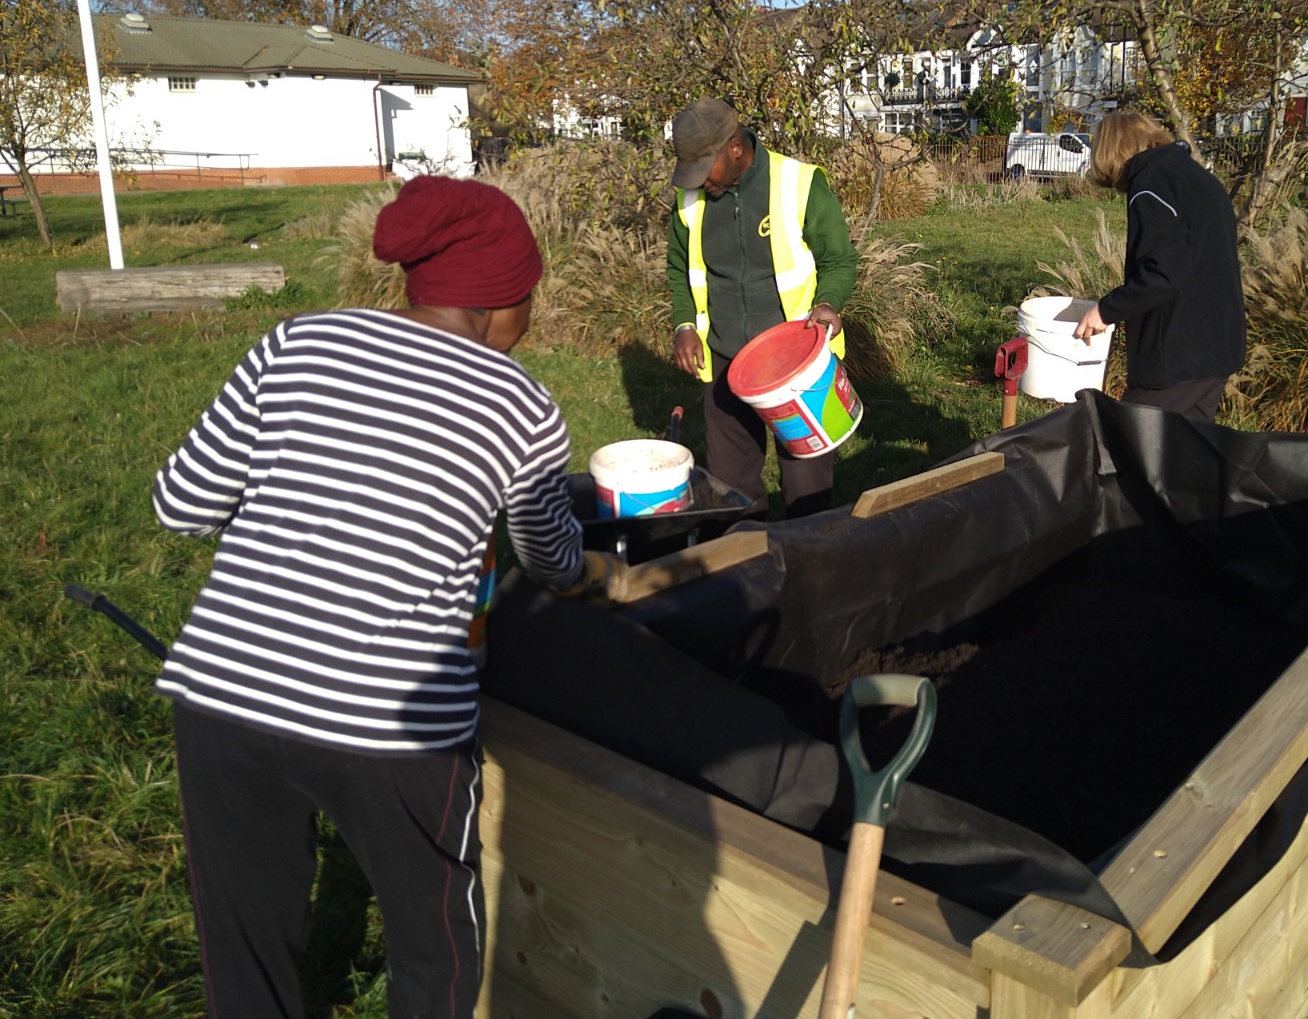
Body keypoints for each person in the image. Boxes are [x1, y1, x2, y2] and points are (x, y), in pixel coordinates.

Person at [151, 176, 616, 1018]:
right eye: (530, 298)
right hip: (390, 719)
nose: (533, 319)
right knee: (434, 937)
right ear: (494, 304)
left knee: (245, 940)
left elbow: (178, 506)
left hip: (220, 693)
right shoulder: (520, 402)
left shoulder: (294, 343)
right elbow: (549, 559)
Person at [666, 97, 860, 519]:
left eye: (704, 168)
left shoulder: (799, 184)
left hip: (796, 361)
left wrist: (828, 303)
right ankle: (748, 564)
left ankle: (810, 558)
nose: (698, 182)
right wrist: (684, 324)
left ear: (735, 147)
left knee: (806, 481)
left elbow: (840, 259)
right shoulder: (690, 200)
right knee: (732, 487)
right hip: (724, 358)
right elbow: (679, 268)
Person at [1072, 110, 1246, 422]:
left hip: (1178, 358)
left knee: (1127, 442)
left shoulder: (1151, 184)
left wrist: (1106, 310)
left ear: (1112, 152)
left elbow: (1164, 273)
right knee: (1185, 454)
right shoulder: (1196, 176)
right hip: (1220, 348)